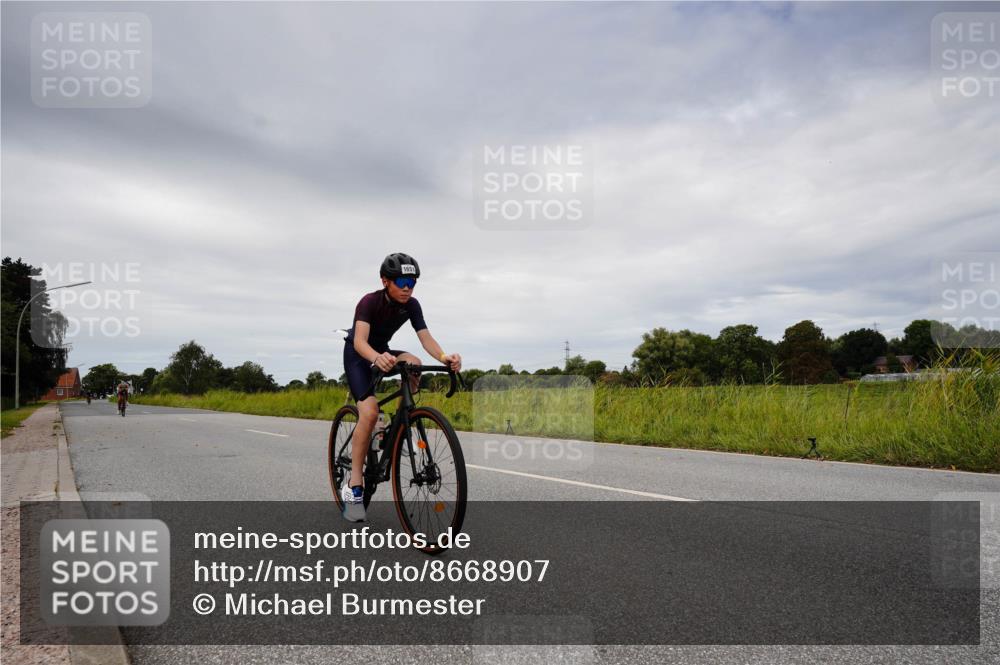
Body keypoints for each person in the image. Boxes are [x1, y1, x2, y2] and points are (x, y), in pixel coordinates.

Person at [341, 252, 461, 522]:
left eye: (413, 282)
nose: (408, 287)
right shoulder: (369, 302)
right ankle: (355, 486)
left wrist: (444, 357)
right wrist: (375, 357)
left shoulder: (412, 305)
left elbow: (425, 337)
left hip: (383, 351)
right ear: (386, 281)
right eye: (402, 281)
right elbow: (360, 341)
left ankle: (398, 426)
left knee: (414, 363)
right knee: (370, 413)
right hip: (360, 356)